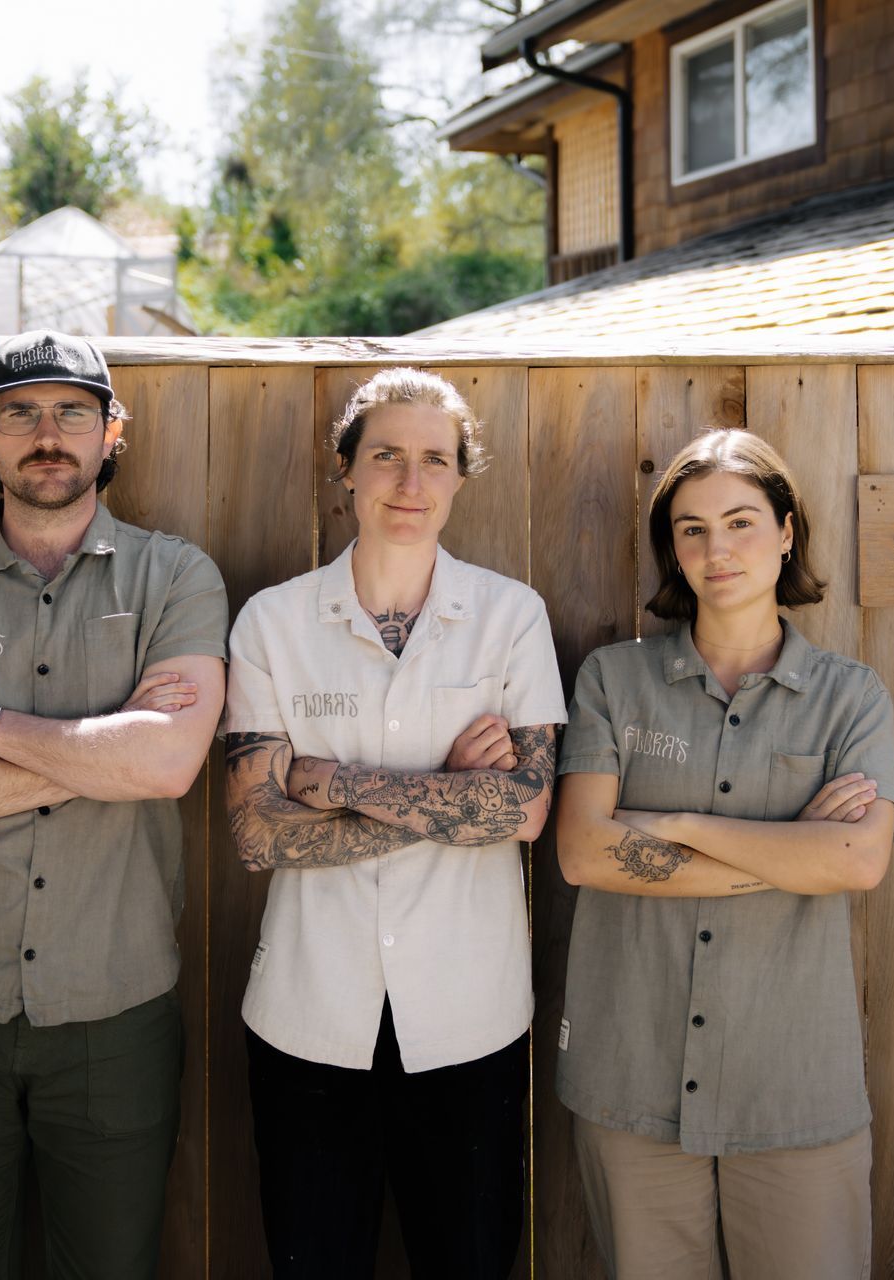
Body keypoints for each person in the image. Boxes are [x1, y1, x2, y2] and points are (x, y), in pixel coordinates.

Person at [0, 330, 227, 1279]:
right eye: (19, 414)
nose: (46, 435)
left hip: (115, 996)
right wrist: (108, 746)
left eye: (71, 412)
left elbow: (168, 766)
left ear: (113, 431)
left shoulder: (176, 577)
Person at [222, 368, 567, 1279]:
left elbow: (526, 810)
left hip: (470, 1020)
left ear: (460, 477)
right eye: (386, 457)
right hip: (307, 1014)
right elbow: (258, 835)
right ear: (346, 471)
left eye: (434, 461)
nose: (410, 483)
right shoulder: (273, 623)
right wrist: (451, 797)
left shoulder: (509, 618)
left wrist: (335, 781)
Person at [553, 428, 894, 1279]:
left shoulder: (848, 695)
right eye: (691, 529)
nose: (717, 549)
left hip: (792, 1088)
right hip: (630, 1081)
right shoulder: (613, 680)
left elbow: (860, 862)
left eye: (742, 521)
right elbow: (582, 852)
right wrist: (796, 850)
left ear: (787, 531)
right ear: (670, 548)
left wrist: (676, 824)